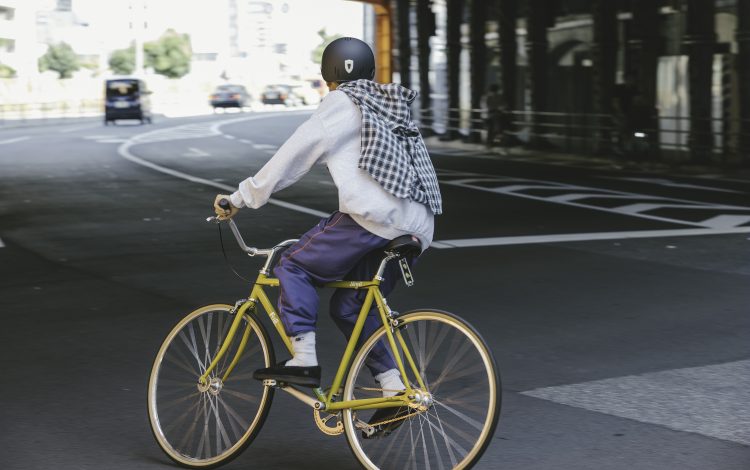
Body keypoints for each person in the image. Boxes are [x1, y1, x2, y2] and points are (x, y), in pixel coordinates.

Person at [213, 37, 442, 427]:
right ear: (368, 71)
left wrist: (239, 199)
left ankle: (303, 360)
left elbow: (291, 158)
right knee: (351, 306)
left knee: (292, 266)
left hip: (372, 216)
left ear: (330, 74)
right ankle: (392, 388)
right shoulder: (389, 104)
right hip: (419, 223)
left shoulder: (341, 103)